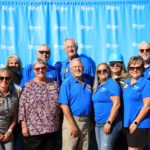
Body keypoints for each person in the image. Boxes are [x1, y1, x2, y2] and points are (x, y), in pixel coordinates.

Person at [18, 59, 60, 150]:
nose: (40, 70)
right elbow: (22, 107)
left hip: (52, 129)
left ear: (46, 68)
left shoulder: (54, 84)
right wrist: (24, 126)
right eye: (37, 69)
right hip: (33, 131)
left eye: (43, 68)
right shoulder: (28, 86)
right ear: (34, 70)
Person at [59, 58, 92, 150]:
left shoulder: (88, 82)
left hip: (86, 122)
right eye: (75, 67)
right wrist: (72, 125)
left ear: (83, 68)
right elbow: (64, 105)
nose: (77, 69)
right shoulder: (66, 83)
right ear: (70, 69)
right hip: (72, 121)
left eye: (79, 66)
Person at [92, 63, 122, 150]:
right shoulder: (97, 86)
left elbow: (117, 104)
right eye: (99, 71)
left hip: (110, 123)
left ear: (109, 71)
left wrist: (109, 123)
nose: (102, 72)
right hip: (98, 124)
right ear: (97, 73)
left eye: (104, 70)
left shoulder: (112, 84)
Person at [123, 56, 150, 150]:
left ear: (142, 68)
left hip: (140, 124)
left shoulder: (146, 83)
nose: (134, 70)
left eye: (137, 68)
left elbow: (147, 105)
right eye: (132, 67)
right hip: (128, 124)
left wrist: (136, 122)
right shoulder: (126, 83)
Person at [6, 55, 23, 150]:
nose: (14, 65)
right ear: (7, 64)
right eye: (11, 63)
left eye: (16, 63)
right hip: (7, 113)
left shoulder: (20, 77)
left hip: (17, 113)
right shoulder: (3, 76)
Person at [0, 68, 18, 150]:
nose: (4, 80)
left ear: (10, 80)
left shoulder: (14, 95)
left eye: (7, 78)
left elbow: (14, 117)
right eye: (1, 78)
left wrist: (9, 132)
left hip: (8, 132)